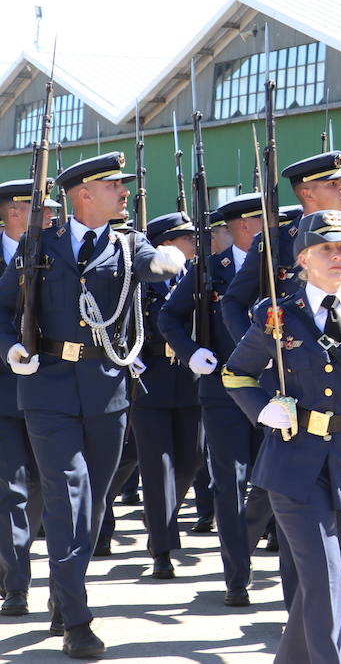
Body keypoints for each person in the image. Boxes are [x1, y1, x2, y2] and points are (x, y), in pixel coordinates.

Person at [0, 152, 187, 659]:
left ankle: (64, 592)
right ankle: (78, 620)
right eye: (114, 186)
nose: (124, 193)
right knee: (66, 497)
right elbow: (3, 309)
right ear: (84, 194)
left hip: (107, 391)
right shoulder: (39, 246)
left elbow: (150, 263)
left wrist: (169, 261)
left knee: (95, 503)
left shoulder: (129, 243)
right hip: (48, 390)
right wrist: (9, 347)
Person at [224, 209, 341, 663]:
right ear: (303, 260)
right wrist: (263, 410)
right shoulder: (279, 317)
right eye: (326, 249)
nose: (338, 257)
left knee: (321, 588)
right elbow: (236, 373)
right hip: (294, 466)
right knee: (326, 582)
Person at [159, 191, 274, 607]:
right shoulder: (211, 268)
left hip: (272, 391)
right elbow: (168, 316)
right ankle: (236, 575)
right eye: (266, 220)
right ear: (245, 226)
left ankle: (252, 544)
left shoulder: (280, 266)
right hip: (223, 390)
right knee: (231, 483)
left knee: (271, 482)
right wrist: (191, 352)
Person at [222, 151, 341, 344]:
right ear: (307, 193)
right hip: (291, 359)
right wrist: (253, 347)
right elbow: (234, 301)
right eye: (333, 184)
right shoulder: (275, 242)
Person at [131, 211, 204, 581]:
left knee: (190, 462)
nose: (193, 243)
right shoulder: (143, 282)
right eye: (186, 238)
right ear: (166, 244)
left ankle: (158, 519)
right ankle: (162, 548)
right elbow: (126, 323)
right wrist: (132, 359)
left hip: (189, 380)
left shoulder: (197, 277)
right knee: (156, 468)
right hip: (152, 380)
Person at [0, 178, 55, 618]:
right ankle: (16, 583)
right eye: (38, 209)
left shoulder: (57, 254)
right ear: (12, 212)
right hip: (2, 391)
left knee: (41, 486)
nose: (49, 217)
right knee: (11, 488)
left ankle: (18, 560)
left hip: (49, 388)